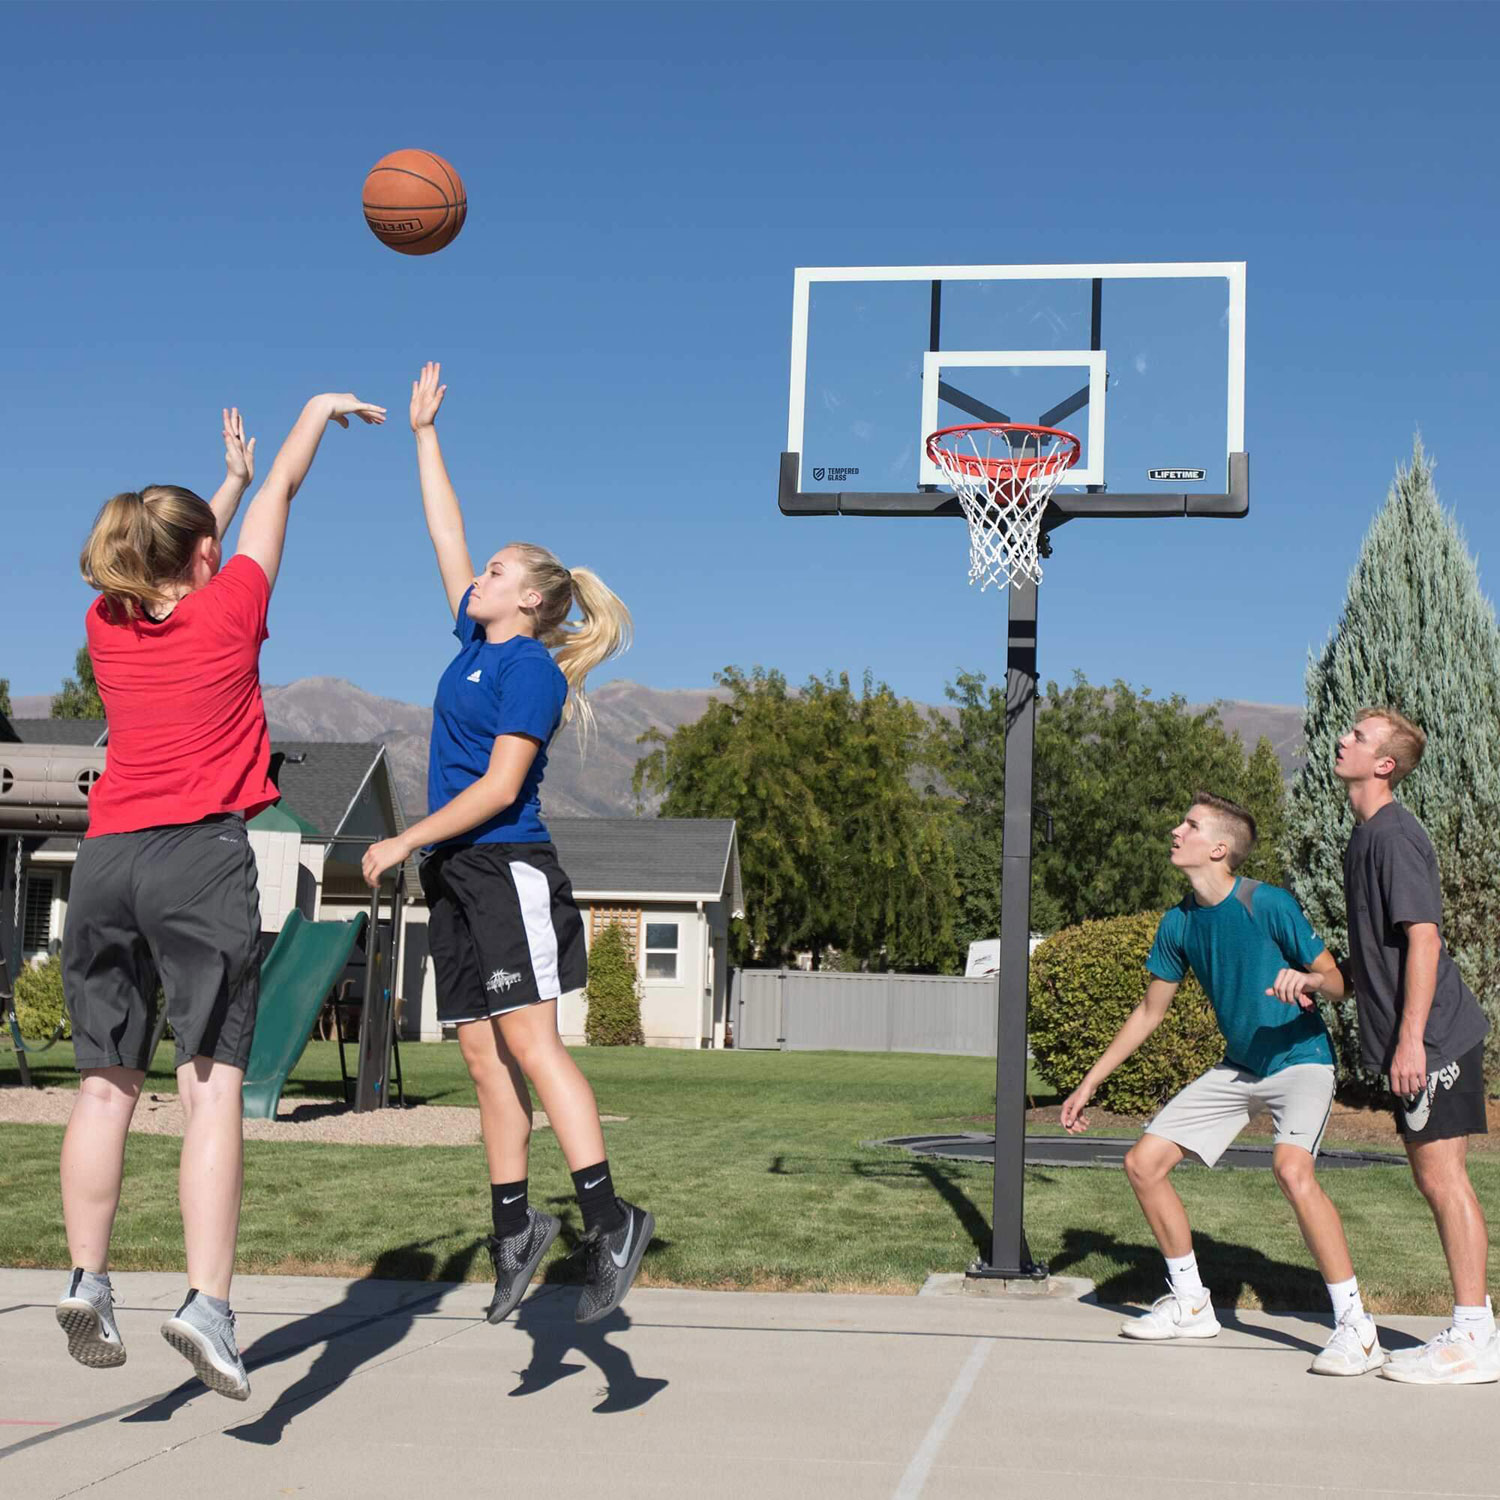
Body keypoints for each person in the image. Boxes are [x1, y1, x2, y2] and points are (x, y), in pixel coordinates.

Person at [55, 394, 385, 1398]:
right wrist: (311, 416)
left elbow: (200, 534)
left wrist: (227, 484)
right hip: (199, 861)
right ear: (205, 556)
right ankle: (207, 1303)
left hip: (106, 861)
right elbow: (286, 490)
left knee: (105, 1085)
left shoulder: (104, 624)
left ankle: (88, 1279)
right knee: (209, 1088)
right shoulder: (232, 606)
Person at [360, 361, 652, 1326]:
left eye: (495, 572)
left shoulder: (528, 669)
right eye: (481, 571)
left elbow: (495, 788)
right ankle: (518, 1227)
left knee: (530, 1045)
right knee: (482, 1060)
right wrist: (423, 436)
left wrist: (402, 837)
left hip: (507, 867)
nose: (475, 576)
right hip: (457, 875)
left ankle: (610, 1219)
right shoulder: (475, 646)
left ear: (530, 599)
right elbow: (446, 532)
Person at [1061, 793, 1385, 1376]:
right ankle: (1190, 1303)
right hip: (1239, 1068)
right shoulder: (1178, 923)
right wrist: (1090, 1084)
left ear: (1218, 848)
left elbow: (1340, 983)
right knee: (1143, 1163)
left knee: (1291, 1169)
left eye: (1188, 824)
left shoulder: (1268, 903)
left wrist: (1308, 980)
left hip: (1301, 1061)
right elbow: (1148, 1013)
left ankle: (1357, 1329)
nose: (1174, 829)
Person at [1274, 707, 1495, 1385]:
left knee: (1442, 1177)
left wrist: (1411, 1045)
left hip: (1434, 1039)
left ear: (1384, 765)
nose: (1344, 739)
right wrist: (1322, 981)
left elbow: (1424, 940)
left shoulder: (1395, 835)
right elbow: (1378, 961)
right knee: (1433, 1178)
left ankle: (1475, 1337)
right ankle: (1472, 1329)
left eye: (1359, 737)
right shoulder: (1364, 836)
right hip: (1419, 1039)